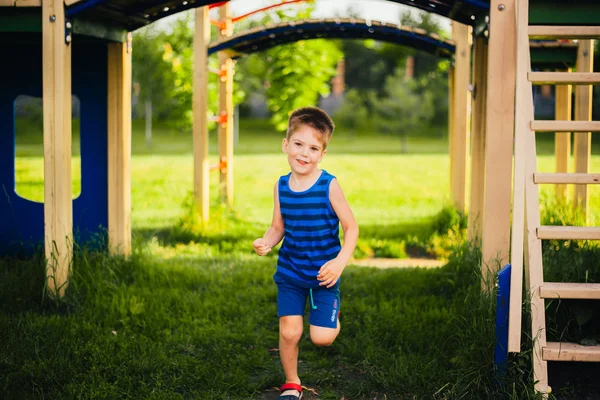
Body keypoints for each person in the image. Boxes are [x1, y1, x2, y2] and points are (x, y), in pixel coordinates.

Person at [253, 107, 359, 400]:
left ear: (322, 154)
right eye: (298, 144)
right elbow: (278, 226)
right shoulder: (281, 185)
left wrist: (339, 263)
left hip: (325, 273)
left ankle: (329, 314)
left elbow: (351, 228)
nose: (304, 153)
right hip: (290, 272)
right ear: (286, 144)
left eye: (313, 148)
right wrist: (267, 241)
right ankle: (292, 383)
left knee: (322, 338)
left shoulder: (329, 185)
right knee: (289, 332)